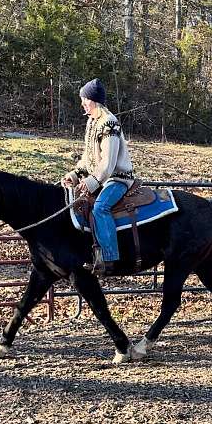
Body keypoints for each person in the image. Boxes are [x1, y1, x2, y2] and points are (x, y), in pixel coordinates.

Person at [62, 78, 134, 276]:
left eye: (84, 99)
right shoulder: (92, 122)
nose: (82, 103)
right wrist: (75, 175)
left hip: (118, 178)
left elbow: (108, 163)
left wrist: (92, 181)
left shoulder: (109, 123)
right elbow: (89, 157)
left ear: (93, 100)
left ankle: (110, 258)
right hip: (102, 177)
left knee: (101, 207)